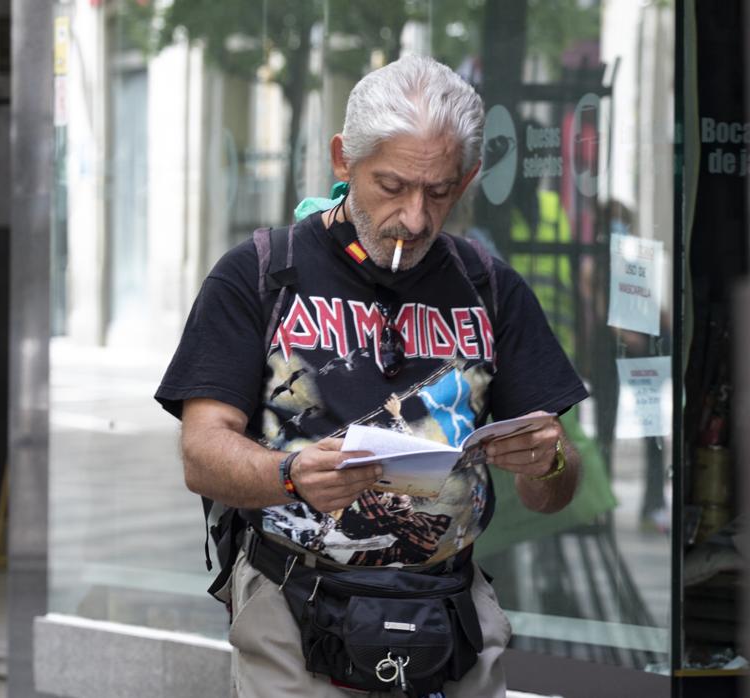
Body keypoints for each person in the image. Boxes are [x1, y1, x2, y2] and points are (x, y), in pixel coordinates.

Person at [155, 56, 588, 697]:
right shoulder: (260, 273)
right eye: (391, 186)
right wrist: (289, 474)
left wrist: (549, 463)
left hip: (451, 614)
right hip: (293, 609)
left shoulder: (488, 286)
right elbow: (201, 453)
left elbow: (554, 488)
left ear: (467, 179)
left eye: (439, 192)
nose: (414, 218)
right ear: (343, 160)